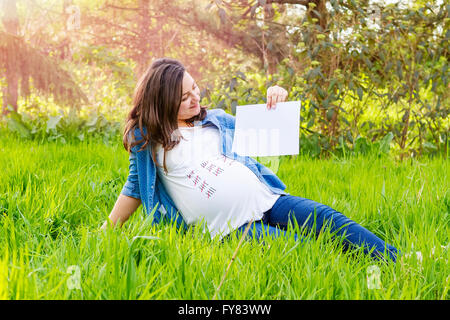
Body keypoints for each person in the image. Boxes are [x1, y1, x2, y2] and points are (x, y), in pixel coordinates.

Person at [101, 57, 399, 263]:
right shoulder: (148, 140)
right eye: (184, 98)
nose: (195, 98)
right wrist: (107, 231)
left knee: (328, 219)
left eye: (194, 88)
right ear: (162, 103)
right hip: (230, 228)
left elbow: (268, 130)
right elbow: (135, 187)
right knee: (304, 251)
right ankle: (348, 275)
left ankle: (398, 261)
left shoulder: (215, 119)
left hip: (267, 200)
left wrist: (275, 98)